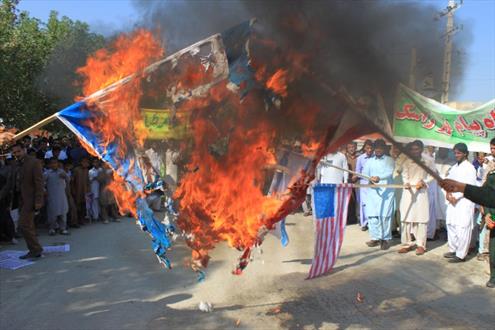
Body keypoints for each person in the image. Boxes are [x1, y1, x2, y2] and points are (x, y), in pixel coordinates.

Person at [398, 141, 435, 255]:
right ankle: (406, 244)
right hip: (408, 192)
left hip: (421, 192)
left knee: (421, 219)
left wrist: (424, 182)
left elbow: (432, 175)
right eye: (412, 149)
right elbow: (404, 175)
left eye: (417, 149)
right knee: (406, 218)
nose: (414, 151)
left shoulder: (428, 161)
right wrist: (407, 183)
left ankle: (421, 245)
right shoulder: (406, 161)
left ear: (421, 149)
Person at [443, 143, 477, 263]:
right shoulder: (454, 167)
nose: (456, 155)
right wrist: (448, 193)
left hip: (464, 201)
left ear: (465, 154)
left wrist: (457, 197)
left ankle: (461, 255)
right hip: (452, 200)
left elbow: (469, 187)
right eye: (455, 152)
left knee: (462, 227)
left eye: (459, 153)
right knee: (451, 224)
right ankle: (453, 249)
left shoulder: (470, 168)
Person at [11, 143, 44, 260]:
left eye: (18, 151)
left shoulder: (34, 162)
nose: (16, 154)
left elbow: (39, 183)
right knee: (28, 226)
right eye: (14, 153)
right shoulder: (15, 164)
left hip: (31, 199)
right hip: (20, 199)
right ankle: (35, 250)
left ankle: (36, 249)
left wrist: (38, 201)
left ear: (24, 150)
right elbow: (12, 182)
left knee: (24, 225)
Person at [362, 139, 395, 250]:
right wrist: (369, 179)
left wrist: (379, 177)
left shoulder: (390, 160)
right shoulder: (369, 161)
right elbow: (365, 174)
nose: (378, 150)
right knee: (372, 215)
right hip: (372, 192)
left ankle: (385, 239)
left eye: (381, 148)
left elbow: (390, 172)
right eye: (376, 148)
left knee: (385, 216)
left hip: (386, 193)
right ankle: (375, 237)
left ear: (384, 149)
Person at [44, 158, 69, 235]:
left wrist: (65, 177)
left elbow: (68, 180)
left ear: (58, 164)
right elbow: (42, 184)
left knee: (63, 212)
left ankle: (63, 228)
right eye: (52, 163)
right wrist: (44, 191)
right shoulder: (47, 173)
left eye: (55, 163)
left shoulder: (62, 172)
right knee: (52, 213)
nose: (54, 165)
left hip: (61, 195)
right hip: (52, 196)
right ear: (49, 165)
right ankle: (52, 228)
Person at [355, 139, 374, 231]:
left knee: (373, 203)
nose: (369, 150)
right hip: (364, 184)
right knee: (364, 204)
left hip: (374, 184)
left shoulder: (375, 157)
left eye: (371, 148)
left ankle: (372, 223)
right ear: (364, 148)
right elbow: (357, 172)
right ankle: (364, 223)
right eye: (367, 148)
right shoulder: (360, 158)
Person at [72, 157, 90, 225]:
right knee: (77, 206)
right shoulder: (76, 170)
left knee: (83, 206)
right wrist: (73, 190)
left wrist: (88, 190)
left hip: (84, 191)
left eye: (86, 162)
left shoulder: (86, 170)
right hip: (77, 191)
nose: (85, 164)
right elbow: (72, 181)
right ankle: (76, 221)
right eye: (84, 162)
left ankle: (82, 219)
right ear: (81, 162)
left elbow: (88, 181)